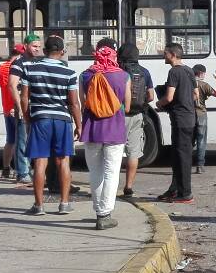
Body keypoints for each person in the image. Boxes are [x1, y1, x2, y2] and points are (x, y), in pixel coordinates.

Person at [20, 36, 82, 215]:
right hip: (62, 120)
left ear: (44, 50)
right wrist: (79, 124)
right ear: (62, 52)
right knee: (63, 161)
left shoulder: (30, 69)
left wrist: (27, 117)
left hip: (40, 119)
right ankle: (64, 203)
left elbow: (24, 97)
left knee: (40, 161)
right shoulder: (69, 73)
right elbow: (74, 103)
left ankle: (39, 206)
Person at [79, 45, 131, 230]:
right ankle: (105, 214)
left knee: (95, 172)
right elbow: (128, 104)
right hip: (114, 130)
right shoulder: (123, 76)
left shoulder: (85, 75)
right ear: (114, 57)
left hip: (92, 130)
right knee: (111, 172)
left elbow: (83, 103)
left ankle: (99, 211)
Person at [155, 43, 197, 204]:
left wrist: (160, 103)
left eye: (165, 53)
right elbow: (195, 95)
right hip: (190, 118)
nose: (163, 55)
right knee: (178, 155)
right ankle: (175, 189)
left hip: (180, 119)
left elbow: (169, 97)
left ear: (172, 54)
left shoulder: (174, 71)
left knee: (182, 157)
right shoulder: (189, 70)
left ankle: (185, 194)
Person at [117, 43, 156, 198]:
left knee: (114, 151)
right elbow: (151, 96)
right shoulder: (144, 72)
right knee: (133, 153)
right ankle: (129, 187)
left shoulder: (119, 71)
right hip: (137, 115)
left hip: (119, 115)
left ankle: (112, 187)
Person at [8, 34, 44, 185]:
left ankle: (30, 170)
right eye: (34, 46)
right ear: (26, 46)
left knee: (33, 140)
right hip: (24, 106)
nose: (37, 49)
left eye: (39, 46)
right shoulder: (19, 63)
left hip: (37, 107)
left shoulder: (38, 62)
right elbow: (12, 85)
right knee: (22, 140)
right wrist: (19, 106)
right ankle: (22, 172)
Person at [0, 44, 26, 179]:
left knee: (10, 140)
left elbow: (0, 84)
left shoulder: (2, 67)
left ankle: (6, 168)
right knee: (21, 141)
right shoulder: (18, 67)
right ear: (20, 55)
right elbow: (16, 89)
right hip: (16, 108)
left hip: (6, 109)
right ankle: (21, 170)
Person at [191, 64, 216, 174]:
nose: (205, 75)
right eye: (204, 73)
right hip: (201, 115)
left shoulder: (187, 83)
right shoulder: (204, 85)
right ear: (200, 73)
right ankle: (200, 166)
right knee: (201, 141)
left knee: (188, 142)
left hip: (188, 115)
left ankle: (184, 165)